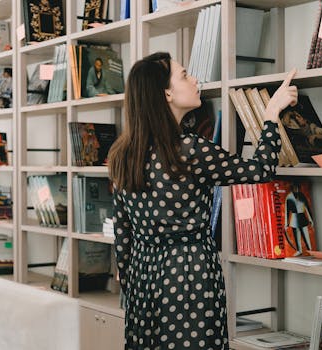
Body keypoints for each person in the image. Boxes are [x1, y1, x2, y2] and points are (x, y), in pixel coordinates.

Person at [107, 52, 298, 349]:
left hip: (143, 274)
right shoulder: (189, 150)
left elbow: (122, 231)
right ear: (166, 93)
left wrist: (134, 280)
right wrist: (271, 113)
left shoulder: (123, 153)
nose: (195, 80)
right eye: (184, 75)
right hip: (189, 271)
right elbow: (259, 170)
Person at [284, 183, 314, 256]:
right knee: (296, 236)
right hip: (294, 218)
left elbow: (307, 207)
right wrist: (286, 223)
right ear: (292, 188)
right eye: (294, 187)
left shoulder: (302, 195)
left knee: (305, 235)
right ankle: (299, 250)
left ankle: (310, 249)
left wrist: (311, 219)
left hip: (302, 217)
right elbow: (287, 211)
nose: (296, 189)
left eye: (297, 187)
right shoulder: (289, 197)